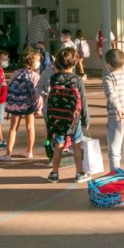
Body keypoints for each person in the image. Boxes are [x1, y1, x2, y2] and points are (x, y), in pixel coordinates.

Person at [47, 47, 90, 183]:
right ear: (74, 62)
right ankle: (79, 172)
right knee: (76, 145)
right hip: (74, 118)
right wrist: (85, 119)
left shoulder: (53, 78)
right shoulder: (77, 79)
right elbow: (82, 100)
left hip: (58, 117)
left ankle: (54, 173)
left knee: (58, 145)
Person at [0, 48, 42, 161]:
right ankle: (29, 151)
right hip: (29, 105)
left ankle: (8, 154)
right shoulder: (35, 76)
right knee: (30, 127)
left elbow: (10, 90)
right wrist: (38, 108)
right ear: (33, 62)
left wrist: (9, 105)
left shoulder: (15, 73)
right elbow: (38, 94)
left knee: (13, 129)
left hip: (15, 105)